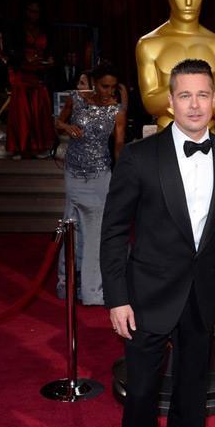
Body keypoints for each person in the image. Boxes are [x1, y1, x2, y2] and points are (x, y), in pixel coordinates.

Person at [100, 59, 215, 427]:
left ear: (214, 100)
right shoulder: (139, 156)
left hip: (201, 297)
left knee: (190, 396)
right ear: (169, 100)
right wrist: (117, 298)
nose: (195, 105)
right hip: (145, 298)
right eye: (185, 95)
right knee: (141, 399)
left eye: (203, 94)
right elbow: (114, 231)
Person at [56, 61, 126, 305]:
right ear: (94, 83)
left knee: (96, 232)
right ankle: (67, 284)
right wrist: (67, 127)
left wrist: (119, 176)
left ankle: (92, 291)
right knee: (72, 225)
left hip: (100, 174)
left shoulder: (117, 110)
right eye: (105, 86)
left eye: (113, 87)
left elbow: (119, 144)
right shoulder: (74, 99)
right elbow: (58, 122)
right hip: (74, 172)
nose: (109, 91)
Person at [136, 0, 215, 131]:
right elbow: (149, 102)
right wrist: (199, 94)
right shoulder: (148, 45)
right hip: (166, 135)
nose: (189, 2)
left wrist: (179, 96)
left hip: (208, 135)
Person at [3, 0, 56, 160]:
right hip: (21, 70)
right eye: (31, 11)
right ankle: (19, 148)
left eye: (37, 12)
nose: (34, 15)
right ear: (25, 11)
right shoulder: (15, 26)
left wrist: (50, 59)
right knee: (22, 110)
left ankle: (36, 147)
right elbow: (9, 47)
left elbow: (50, 49)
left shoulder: (45, 28)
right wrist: (25, 57)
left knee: (37, 109)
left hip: (38, 71)